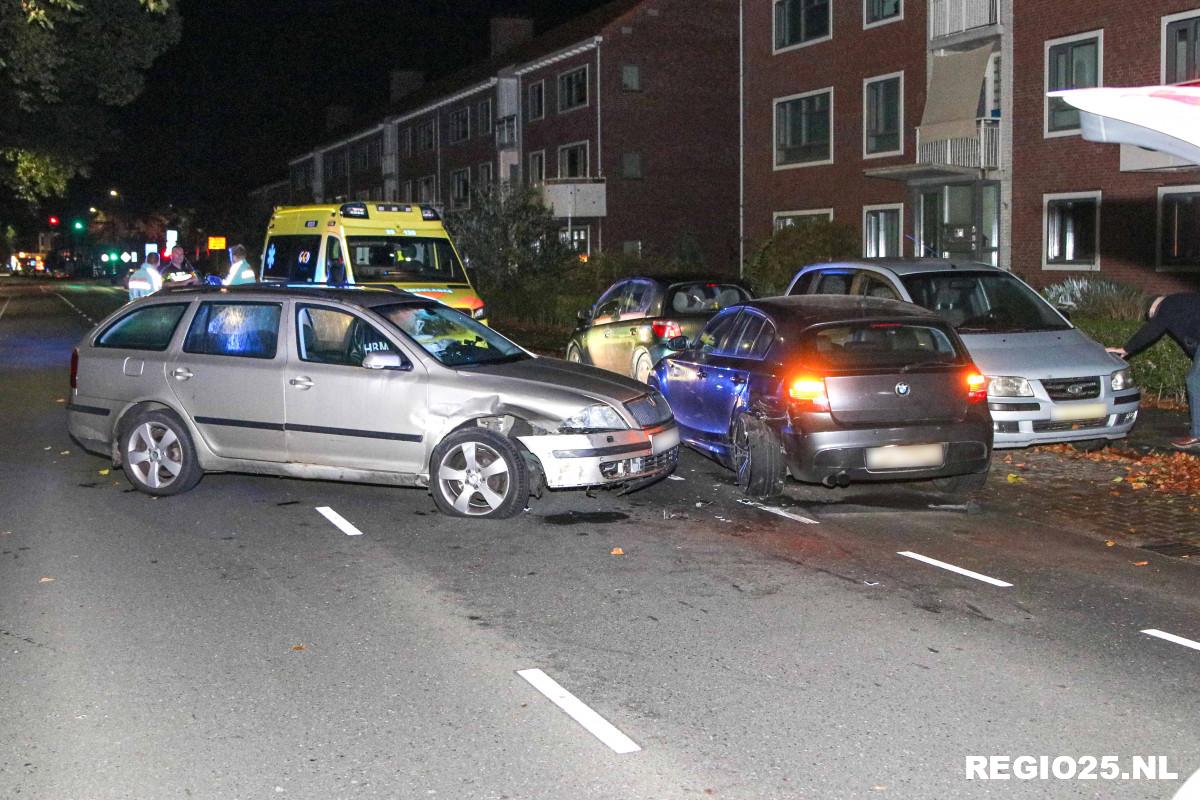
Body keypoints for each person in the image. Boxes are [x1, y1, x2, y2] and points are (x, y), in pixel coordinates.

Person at [1107, 293, 1200, 451]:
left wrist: (1126, 348)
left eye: (1154, 316)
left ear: (1155, 306)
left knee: (1194, 381)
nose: (1157, 319)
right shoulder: (1185, 306)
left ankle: (1197, 434)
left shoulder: (1168, 304)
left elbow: (1153, 329)